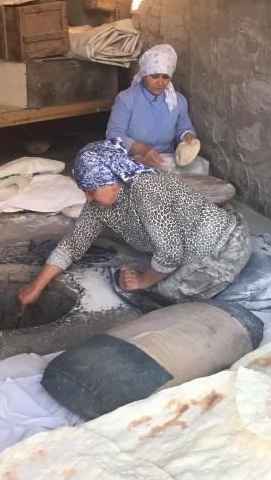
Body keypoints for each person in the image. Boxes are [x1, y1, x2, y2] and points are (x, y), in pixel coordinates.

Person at [17, 138, 250, 312]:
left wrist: (142, 281)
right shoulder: (99, 205)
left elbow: (170, 253)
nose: (87, 198)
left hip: (224, 246)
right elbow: (72, 245)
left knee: (161, 294)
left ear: (113, 182)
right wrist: (36, 286)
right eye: (84, 191)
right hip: (187, 251)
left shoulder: (145, 188)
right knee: (150, 281)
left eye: (91, 191)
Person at [106, 44, 209, 173]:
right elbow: (114, 134)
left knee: (200, 168)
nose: (160, 83)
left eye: (165, 77)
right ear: (144, 74)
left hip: (166, 158)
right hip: (135, 158)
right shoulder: (126, 99)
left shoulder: (177, 100)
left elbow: (184, 127)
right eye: (154, 76)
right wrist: (141, 149)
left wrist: (186, 135)